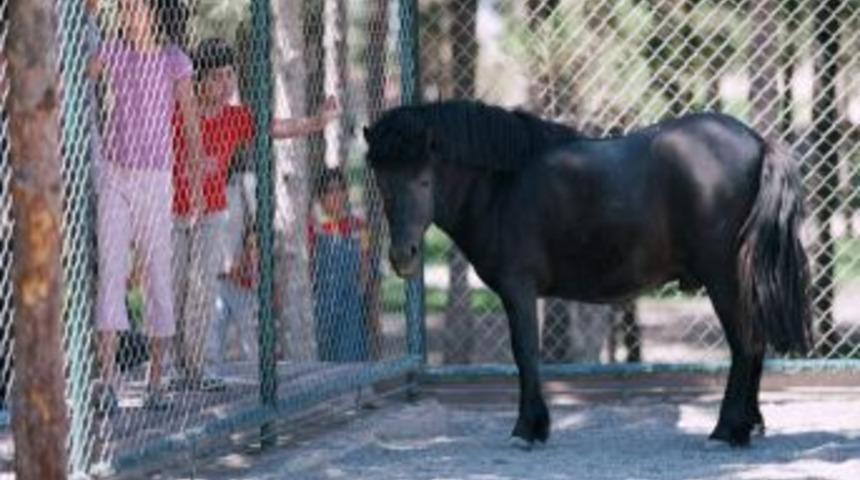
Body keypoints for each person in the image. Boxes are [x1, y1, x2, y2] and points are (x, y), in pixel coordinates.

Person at [171, 37, 338, 388]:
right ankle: (172, 366)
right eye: (217, 76)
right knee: (174, 286)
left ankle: (195, 367)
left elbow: (276, 128)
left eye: (230, 74)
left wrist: (316, 122)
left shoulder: (236, 118)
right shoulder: (178, 113)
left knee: (202, 287)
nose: (226, 82)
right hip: (173, 212)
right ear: (199, 79)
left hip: (212, 213)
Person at [89, 0, 204, 411]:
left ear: (155, 11)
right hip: (115, 175)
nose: (127, 13)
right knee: (112, 276)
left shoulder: (175, 60)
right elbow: (76, 74)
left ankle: (156, 381)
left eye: (134, 6)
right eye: (122, 8)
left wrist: (196, 185)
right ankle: (108, 381)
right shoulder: (112, 51)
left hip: (156, 181)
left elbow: (191, 124)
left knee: (158, 278)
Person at [310, 168, 372, 363]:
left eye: (340, 189)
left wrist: (361, 291)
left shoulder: (358, 225)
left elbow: (365, 261)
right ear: (320, 197)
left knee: (351, 351)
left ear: (346, 193)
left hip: (350, 301)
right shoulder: (314, 227)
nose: (336, 195)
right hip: (322, 301)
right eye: (329, 190)